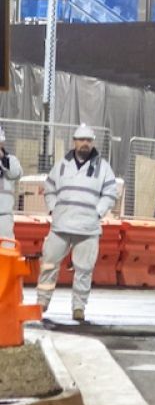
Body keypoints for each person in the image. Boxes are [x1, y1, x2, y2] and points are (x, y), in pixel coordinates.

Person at [37, 125, 119, 322]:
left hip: (88, 228)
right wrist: (53, 209)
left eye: (88, 140)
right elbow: (49, 188)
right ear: (74, 141)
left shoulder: (103, 168)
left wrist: (97, 213)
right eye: (81, 139)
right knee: (49, 265)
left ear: (92, 143)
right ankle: (41, 303)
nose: (85, 143)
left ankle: (79, 308)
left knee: (84, 270)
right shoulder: (62, 165)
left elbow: (110, 194)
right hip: (60, 226)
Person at [0, 127, 20, 239]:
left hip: (4, 217)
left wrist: (3, 160)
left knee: (6, 251)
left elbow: (15, 174)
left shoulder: (11, 160)